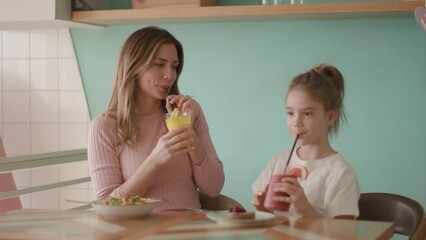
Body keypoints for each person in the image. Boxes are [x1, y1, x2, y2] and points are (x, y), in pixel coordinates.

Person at [88, 26, 225, 212]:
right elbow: (107, 206)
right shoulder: (105, 127)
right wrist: (154, 161)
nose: (170, 75)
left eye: (174, 67)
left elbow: (214, 187)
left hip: (191, 231)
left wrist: (191, 137)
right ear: (134, 66)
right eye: (159, 64)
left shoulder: (187, 113)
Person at [251, 64, 360, 219]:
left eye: (307, 114)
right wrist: (264, 210)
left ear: (331, 116)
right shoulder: (278, 163)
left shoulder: (341, 173)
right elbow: (267, 224)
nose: (297, 122)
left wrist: (305, 209)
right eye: (290, 113)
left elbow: (342, 234)